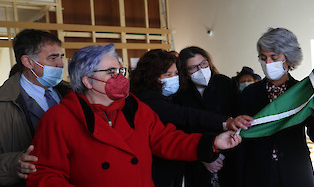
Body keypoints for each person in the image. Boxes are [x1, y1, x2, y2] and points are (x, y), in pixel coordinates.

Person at [25, 44, 242, 187]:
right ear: (87, 81)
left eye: (120, 71)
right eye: (111, 73)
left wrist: (213, 142)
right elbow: (45, 175)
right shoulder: (59, 119)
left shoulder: (134, 107)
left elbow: (167, 139)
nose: (119, 78)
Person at [129, 49, 252, 187]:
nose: (173, 78)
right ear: (151, 76)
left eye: (175, 73)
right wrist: (225, 123)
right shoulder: (149, 99)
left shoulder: (224, 83)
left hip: (204, 158)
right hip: (162, 167)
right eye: (168, 74)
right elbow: (185, 116)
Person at [238, 28, 314, 187]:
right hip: (258, 172)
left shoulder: (302, 92)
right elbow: (242, 138)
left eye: (274, 57)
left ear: (289, 59)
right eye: (263, 58)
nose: (268, 63)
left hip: (295, 171)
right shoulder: (250, 93)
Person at [0, 29, 68, 187]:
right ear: (28, 62)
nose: (60, 64)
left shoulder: (71, 94)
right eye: (53, 58)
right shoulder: (4, 103)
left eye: (61, 57)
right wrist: (13, 163)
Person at [175, 46, 241, 187]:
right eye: (193, 67)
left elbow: (237, 116)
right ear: (185, 72)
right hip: (197, 160)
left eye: (203, 63)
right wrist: (205, 156)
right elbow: (182, 129)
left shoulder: (225, 83)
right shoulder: (181, 94)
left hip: (230, 155)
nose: (201, 70)